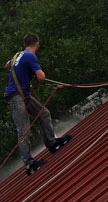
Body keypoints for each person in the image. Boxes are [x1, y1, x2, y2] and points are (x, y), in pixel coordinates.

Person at [4, 33, 72, 175]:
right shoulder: (30, 56)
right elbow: (41, 77)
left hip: (21, 95)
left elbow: (7, 65)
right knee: (24, 130)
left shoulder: (18, 56)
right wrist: (38, 73)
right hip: (16, 98)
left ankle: (52, 143)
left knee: (44, 113)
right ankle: (29, 164)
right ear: (37, 44)